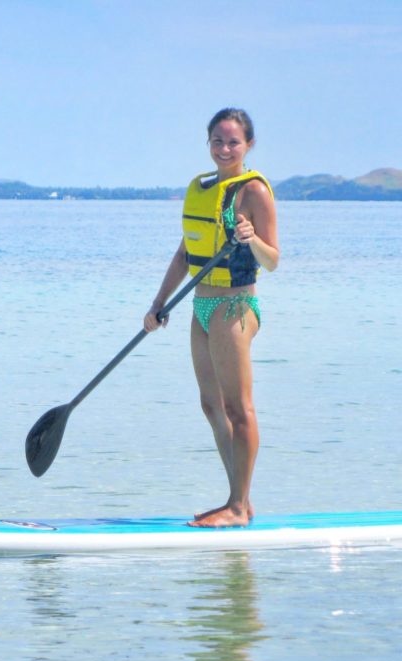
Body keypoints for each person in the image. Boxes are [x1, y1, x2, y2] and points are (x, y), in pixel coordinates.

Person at [143, 108, 280, 528]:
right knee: (211, 405)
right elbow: (186, 253)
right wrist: (158, 303)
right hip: (200, 307)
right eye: (217, 141)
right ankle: (240, 500)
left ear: (248, 145)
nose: (224, 149)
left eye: (233, 142)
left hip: (235, 308)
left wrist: (251, 238)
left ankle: (236, 507)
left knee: (239, 409)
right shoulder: (200, 189)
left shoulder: (254, 192)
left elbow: (272, 260)